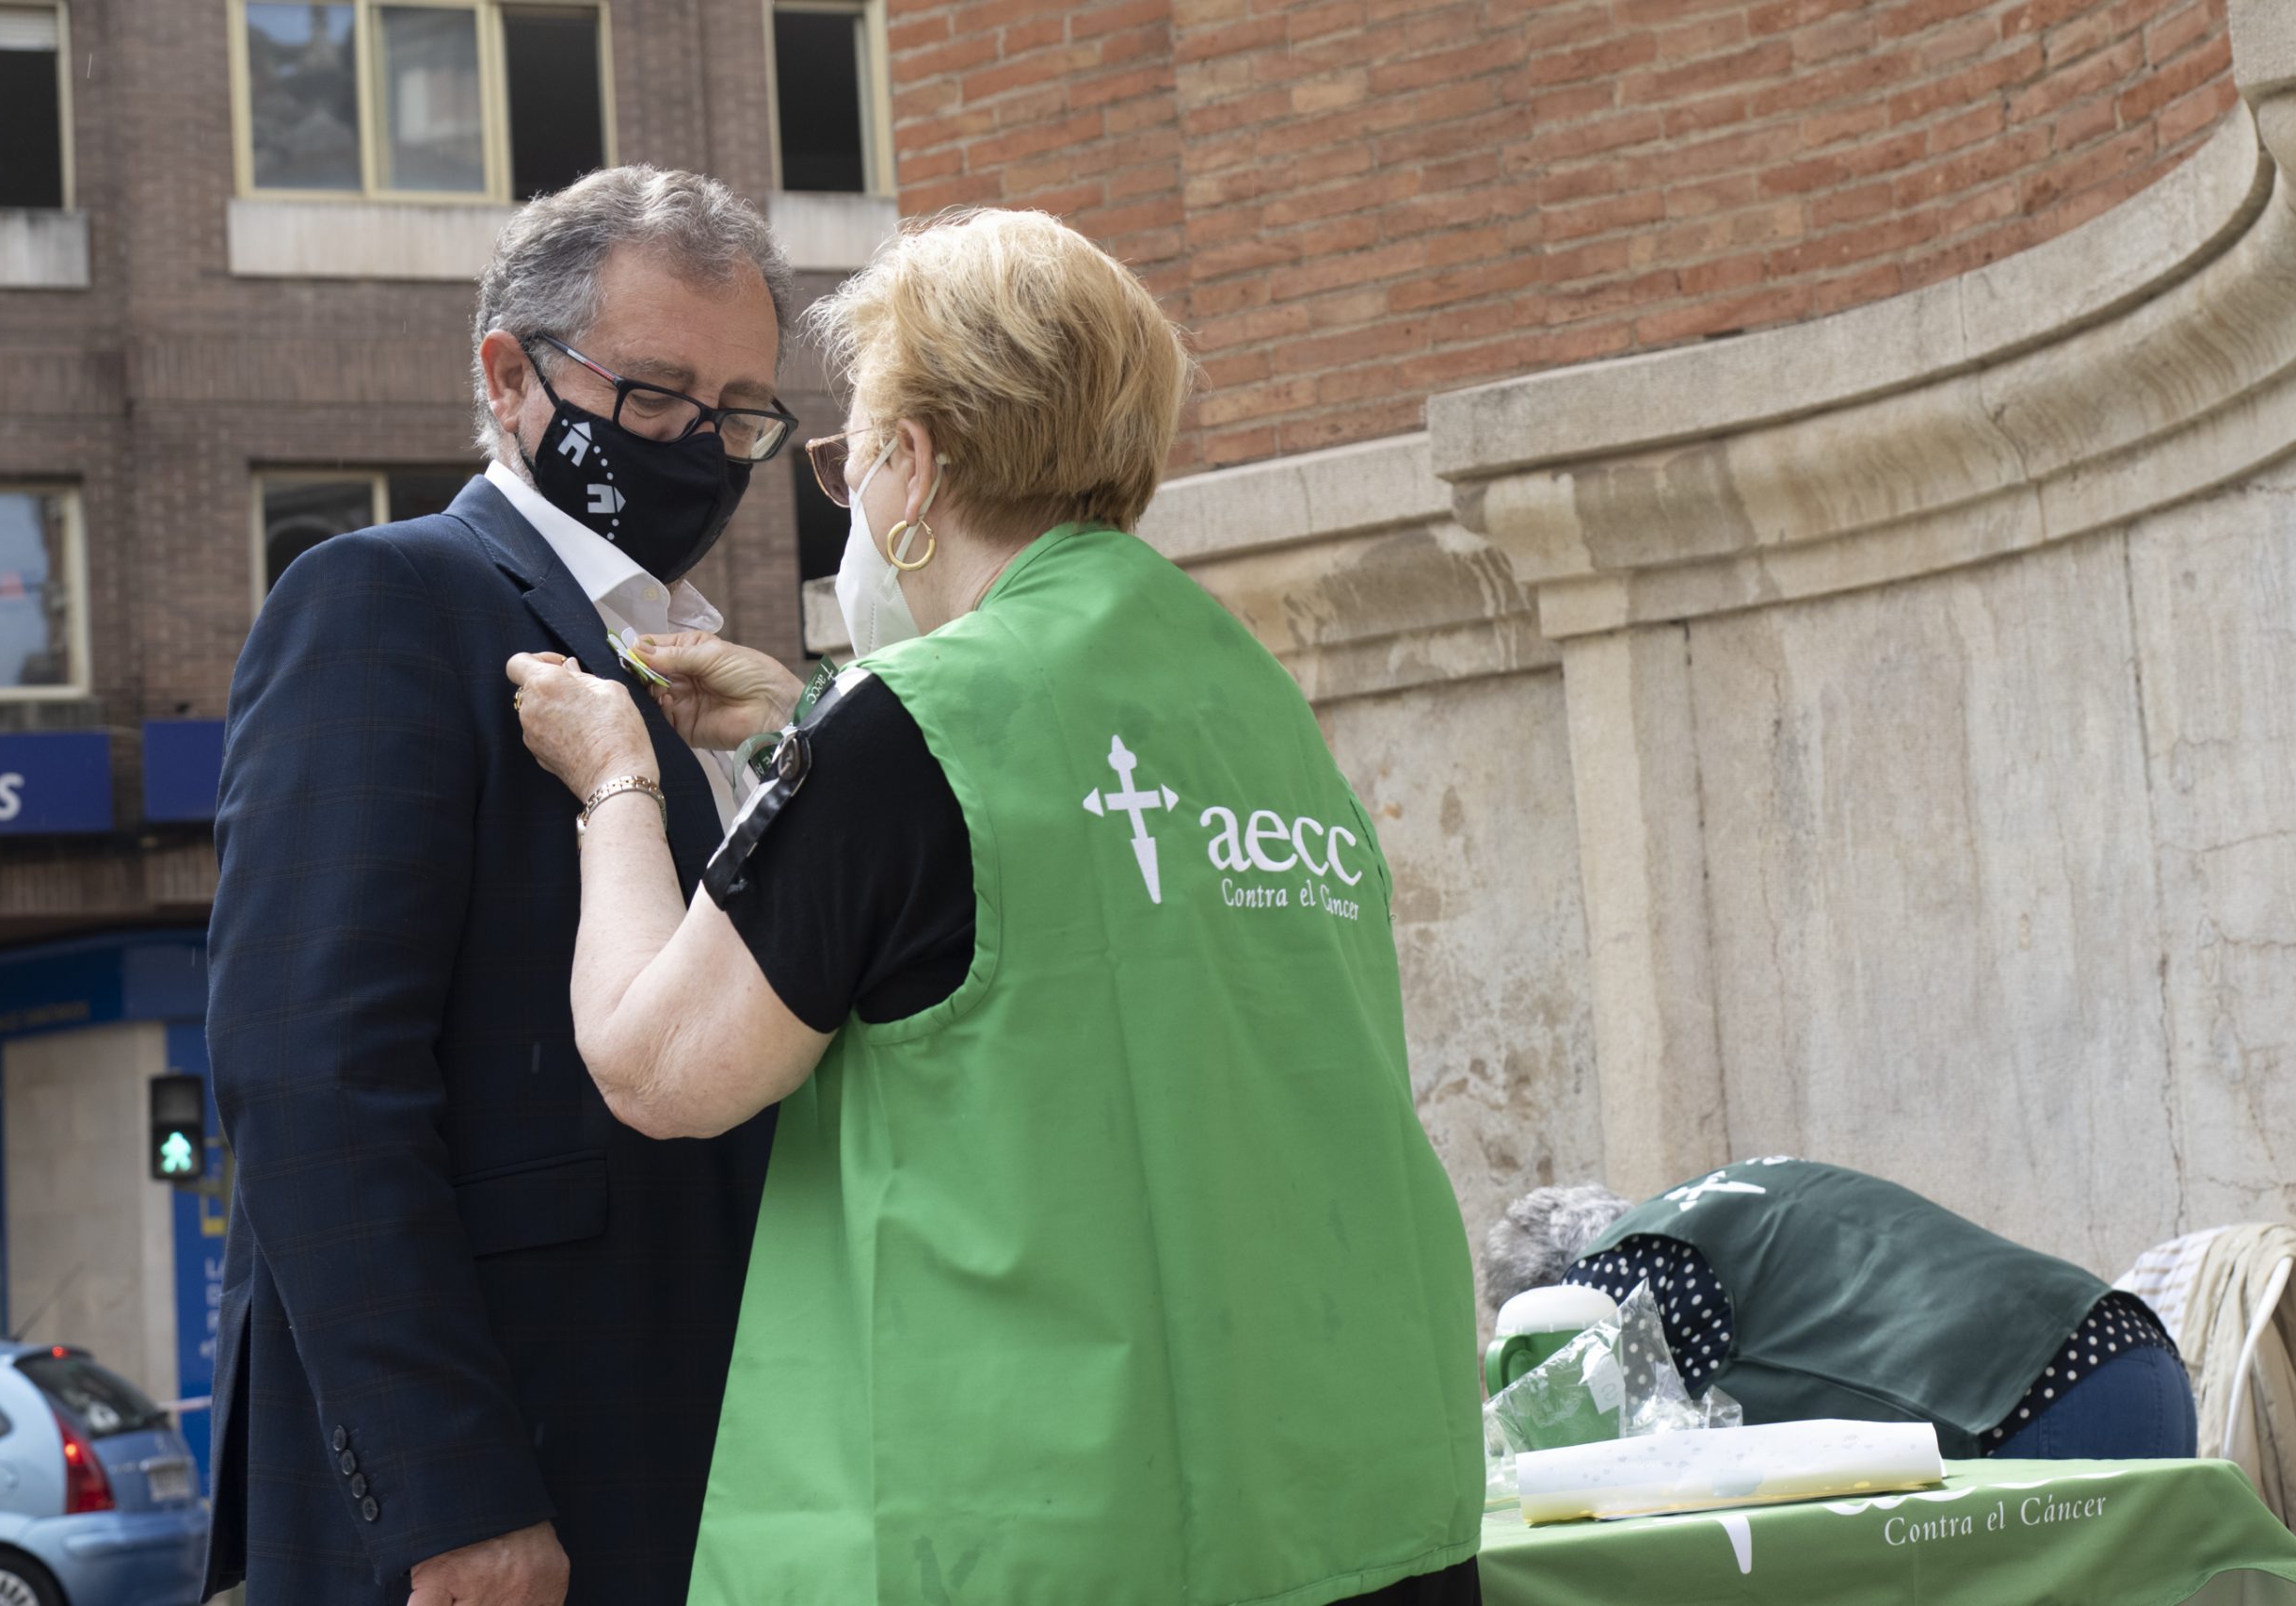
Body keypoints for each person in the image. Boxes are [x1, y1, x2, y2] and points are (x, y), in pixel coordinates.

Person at [504, 207, 1484, 1605]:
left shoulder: (916, 727)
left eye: (853, 453)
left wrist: (616, 783)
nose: (853, 497)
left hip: (1042, 1532)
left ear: (918, 463)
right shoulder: (1244, 701)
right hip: (1356, 1508)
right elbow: (1038, 886)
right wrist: (809, 728)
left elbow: (659, 1070)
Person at [204, 167, 795, 1606]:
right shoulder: (387, 600)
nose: (698, 445)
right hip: (504, 1496)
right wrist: (453, 1490)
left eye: (739, 412)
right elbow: (309, 1072)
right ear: (508, 374)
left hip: (704, 1465)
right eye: (653, 394)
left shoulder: (708, 678)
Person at [1484, 1158, 2197, 1461]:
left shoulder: (1617, 1275)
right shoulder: (1709, 1206)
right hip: (2130, 1352)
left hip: (2024, 1411)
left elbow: (1647, 1478)